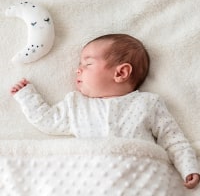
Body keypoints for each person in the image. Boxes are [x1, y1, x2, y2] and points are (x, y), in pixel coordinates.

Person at [10, 34, 200, 189]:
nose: (78, 70)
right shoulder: (76, 104)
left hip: (139, 177)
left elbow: (173, 139)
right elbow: (48, 121)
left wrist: (189, 167)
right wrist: (27, 96)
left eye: (88, 64)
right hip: (92, 179)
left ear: (120, 73)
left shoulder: (148, 103)